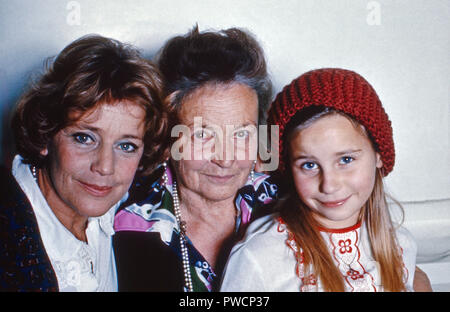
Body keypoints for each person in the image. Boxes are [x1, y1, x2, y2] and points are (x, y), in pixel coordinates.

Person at [220, 68, 418, 291]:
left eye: (346, 159)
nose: (329, 185)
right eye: (309, 165)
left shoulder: (402, 246)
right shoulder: (260, 256)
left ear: (379, 155)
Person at [113, 26, 278, 292]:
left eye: (241, 134)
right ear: (167, 138)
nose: (225, 159)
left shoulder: (285, 204)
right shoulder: (129, 230)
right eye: (202, 134)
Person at [0, 34, 168, 291]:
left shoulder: (122, 206)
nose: (104, 167)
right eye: (84, 138)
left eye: (126, 146)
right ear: (46, 135)